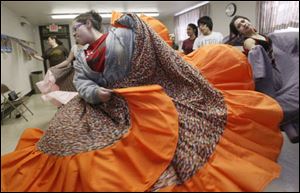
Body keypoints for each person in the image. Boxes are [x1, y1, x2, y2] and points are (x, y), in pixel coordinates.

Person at [2, 11, 283, 192]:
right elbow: (83, 82)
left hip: (141, 96)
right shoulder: (82, 55)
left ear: (89, 24)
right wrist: (94, 93)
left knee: (180, 129)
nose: (74, 35)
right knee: (62, 137)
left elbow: (158, 56)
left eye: (76, 30)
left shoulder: (125, 34)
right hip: (102, 105)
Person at [228, 15, 282, 96]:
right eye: (239, 26)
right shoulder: (248, 41)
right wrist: (254, 49)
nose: (243, 24)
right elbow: (254, 51)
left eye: (243, 21)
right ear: (239, 32)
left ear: (248, 20)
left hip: (275, 70)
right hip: (266, 76)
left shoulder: (262, 35)